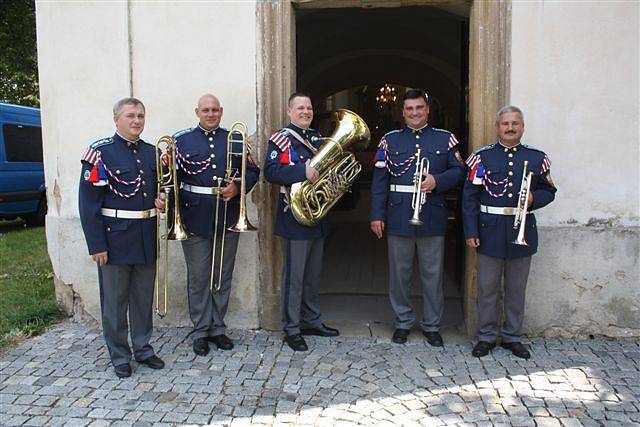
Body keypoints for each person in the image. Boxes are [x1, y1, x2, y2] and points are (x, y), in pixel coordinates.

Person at [370, 89, 465, 346]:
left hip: (432, 213)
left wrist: (437, 180)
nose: (414, 113)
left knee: (432, 274)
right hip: (399, 214)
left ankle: (432, 325)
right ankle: (402, 322)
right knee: (399, 274)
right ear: (403, 112)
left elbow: (459, 172)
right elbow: (380, 181)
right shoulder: (390, 141)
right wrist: (377, 215)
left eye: (419, 108)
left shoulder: (445, 140)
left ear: (427, 110)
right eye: (410, 109)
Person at [79, 97, 166, 378]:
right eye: (130, 115)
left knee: (142, 298)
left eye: (141, 115)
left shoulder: (152, 153)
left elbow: (160, 190)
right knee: (115, 302)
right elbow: (88, 204)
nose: (137, 121)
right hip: (114, 240)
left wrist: (164, 199)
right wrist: (96, 245)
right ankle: (119, 355)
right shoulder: (100, 153)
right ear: (116, 119)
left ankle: (143, 348)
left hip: (145, 235)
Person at [462, 105, 556, 359]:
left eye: (515, 123)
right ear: (497, 127)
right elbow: (469, 197)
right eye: (505, 124)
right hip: (489, 230)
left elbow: (550, 191)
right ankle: (486, 336)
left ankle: (512, 337)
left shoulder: (538, 158)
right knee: (487, 288)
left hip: (522, 229)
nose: (510, 128)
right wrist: (470, 230)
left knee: (516, 289)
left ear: (522, 127)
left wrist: (534, 198)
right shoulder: (481, 158)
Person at [173, 94, 260, 356]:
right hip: (194, 216)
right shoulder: (181, 141)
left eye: (214, 110)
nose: (210, 114)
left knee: (222, 275)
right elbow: (170, 178)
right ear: (197, 112)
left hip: (228, 215)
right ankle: (200, 330)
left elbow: (253, 171)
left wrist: (238, 188)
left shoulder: (234, 139)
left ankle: (218, 328)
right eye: (205, 110)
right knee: (199, 277)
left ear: (221, 112)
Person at [263, 92, 340, 352]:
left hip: (317, 216)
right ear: (289, 111)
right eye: (300, 108)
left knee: (312, 275)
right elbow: (270, 172)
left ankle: (311, 320)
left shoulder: (318, 139)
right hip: (294, 216)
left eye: (308, 108)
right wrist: (301, 172)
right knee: (294, 278)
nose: (306, 112)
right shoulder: (281, 139)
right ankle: (292, 328)